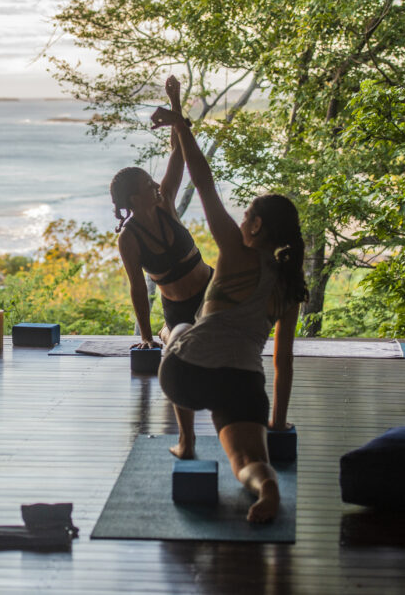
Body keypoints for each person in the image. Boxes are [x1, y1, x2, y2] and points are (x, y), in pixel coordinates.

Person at [150, 76, 308, 523]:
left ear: (256, 227)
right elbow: (283, 362)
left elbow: (203, 181)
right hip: (242, 384)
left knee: (177, 328)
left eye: (246, 216)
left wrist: (182, 123)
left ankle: (186, 442)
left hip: (189, 376)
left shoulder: (237, 254)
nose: (240, 221)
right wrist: (276, 423)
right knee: (246, 463)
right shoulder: (289, 285)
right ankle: (266, 485)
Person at [110, 77, 214, 458]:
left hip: (211, 291)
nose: (157, 184)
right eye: (148, 183)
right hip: (177, 307)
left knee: (217, 343)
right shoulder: (129, 238)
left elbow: (178, 155)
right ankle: (165, 333)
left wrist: (174, 103)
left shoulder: (166, 202)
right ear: (134, 197)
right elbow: (139, 288)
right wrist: (146, 338)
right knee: (180, 348)